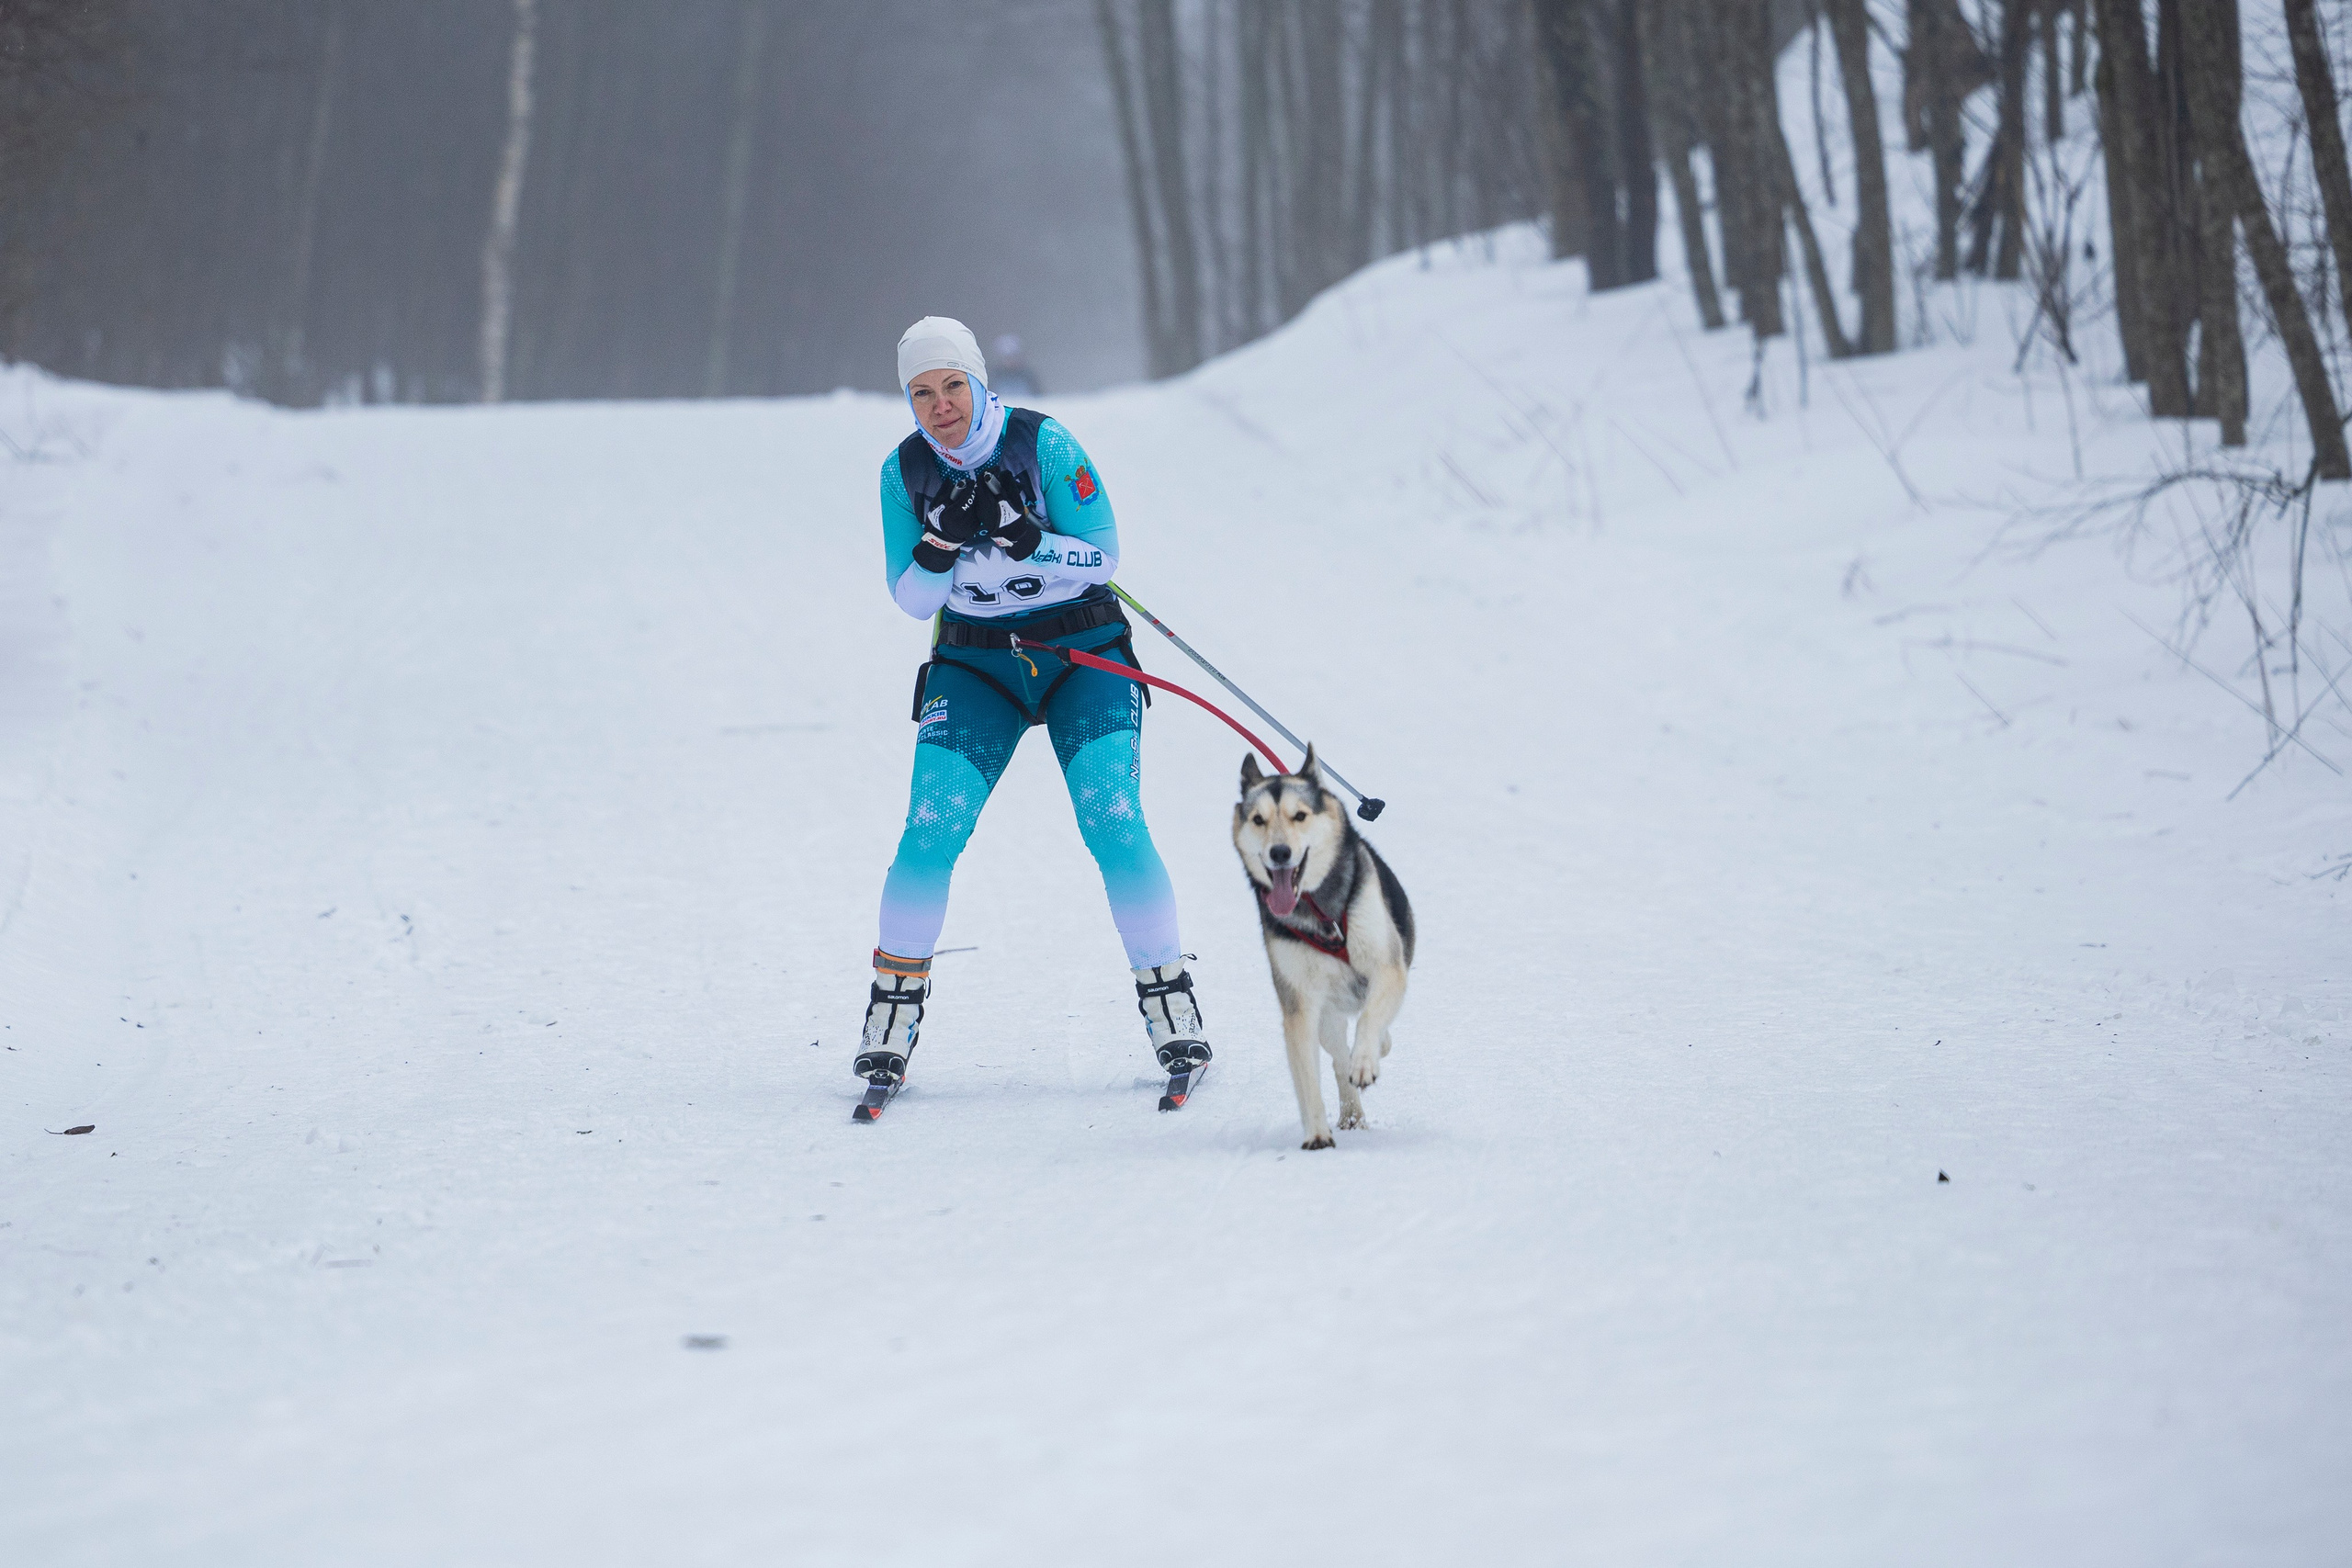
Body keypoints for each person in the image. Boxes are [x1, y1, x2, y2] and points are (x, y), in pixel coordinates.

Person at [854, 316, 1209, 1101]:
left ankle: (1170, 997)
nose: (940, 405)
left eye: (953, 385)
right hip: (977, 666)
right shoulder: (903, 472)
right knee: (929, 829)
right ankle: (891, 1010)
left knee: (1113, 816)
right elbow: (913, 599)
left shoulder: (1043, 444)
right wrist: (938, 545)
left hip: (1081, 654)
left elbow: (1104, 555)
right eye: (921, 392)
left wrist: (1027, 540)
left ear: (980, 383)